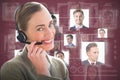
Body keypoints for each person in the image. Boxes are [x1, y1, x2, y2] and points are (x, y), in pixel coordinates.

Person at [0, 2, 69, 80]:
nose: (50, 34)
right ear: (23, 35)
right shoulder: (11, 68)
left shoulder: (60, 65)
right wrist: (43, 73)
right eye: (40, 28)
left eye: (50, 24)